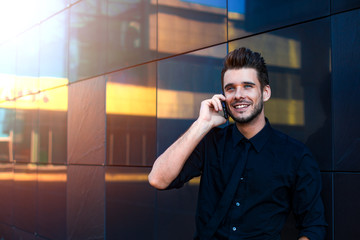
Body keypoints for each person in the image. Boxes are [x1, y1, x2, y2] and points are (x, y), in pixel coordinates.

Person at [148, 47, 327, 240]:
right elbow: (158, 179)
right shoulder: (210, 142)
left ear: (265, 92)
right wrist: (202, 124)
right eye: (230, 88)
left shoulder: (296, 155)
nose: (238, 95)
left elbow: (313, 227)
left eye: (248, 86)